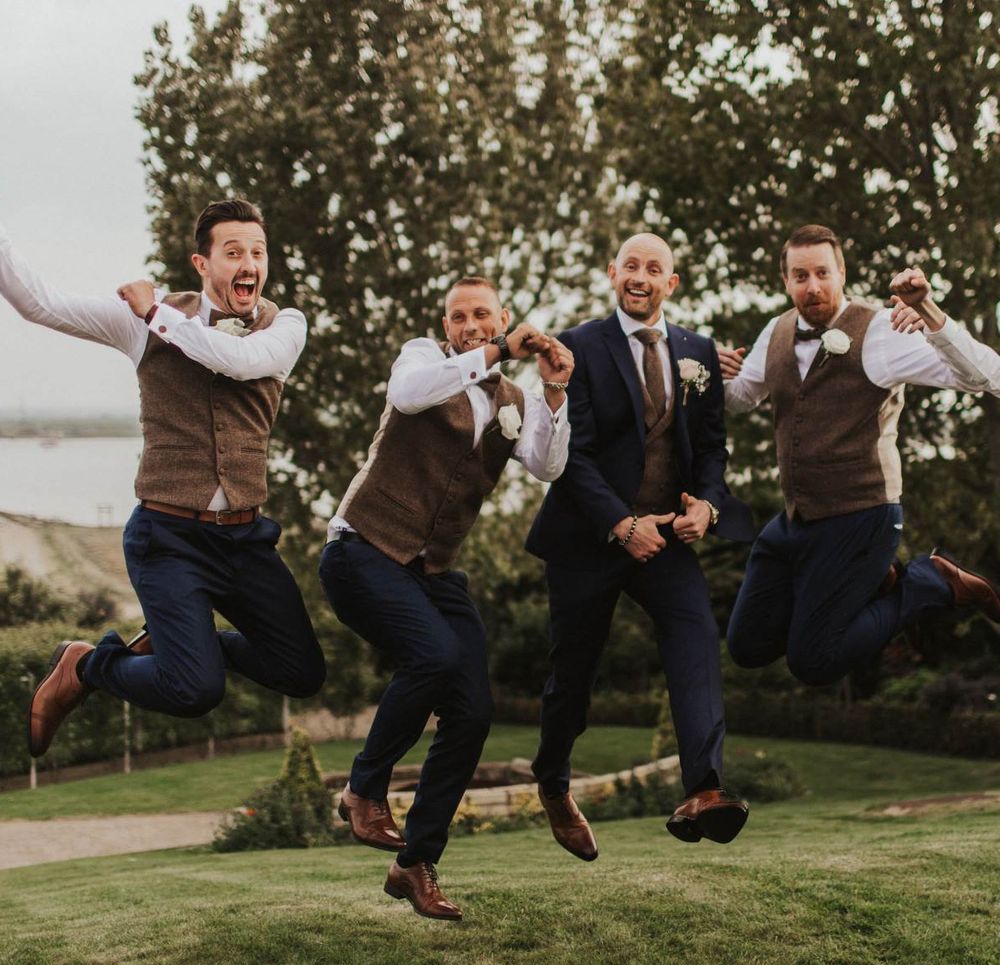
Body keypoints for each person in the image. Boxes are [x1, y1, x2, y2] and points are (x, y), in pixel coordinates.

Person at [0, 199, 326, 758]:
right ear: (203, 264)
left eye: (258, 252)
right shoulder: (141, 322)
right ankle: (87, 665)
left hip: (245, 539)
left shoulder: (284, 326)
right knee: (194, 690)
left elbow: (237, 361)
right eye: (233, 252)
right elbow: (40, 304)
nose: (249, 264)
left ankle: (180, 645)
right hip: (168, 537)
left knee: (301, 672)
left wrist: (157, 314)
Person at [320, 276, 573, 921]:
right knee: (431, 657)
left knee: (473, 710)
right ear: (445, 325)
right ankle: (362, 789)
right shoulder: (422, 360)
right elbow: (407, 395)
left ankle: (415, 863)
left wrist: (553, 392)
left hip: (431, 571)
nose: (469, 326)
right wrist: (496, 352)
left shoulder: (513, 399)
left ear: (503, 316)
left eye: (481, 315)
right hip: (362, 549)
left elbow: (547, 466)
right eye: (458, 317)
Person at [525, 233, 756, 862]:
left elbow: (712, 447)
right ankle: (553, 782)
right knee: (572, 678)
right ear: (612, 273)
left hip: (667, 537)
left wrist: (707, 505)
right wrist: (622, 525)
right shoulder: (577, 345)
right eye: (631, 265)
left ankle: (704, 788)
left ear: (671, 284)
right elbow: (570, 455)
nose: (641, 276)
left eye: (655, 269)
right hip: (588, 539)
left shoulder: (697, 351)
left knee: (697, 639)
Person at [720, 224, 1000, 688]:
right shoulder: (777, 331)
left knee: (813, 662)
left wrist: (928, 312)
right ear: (786, 280)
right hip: (796, 519)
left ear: (842, 273)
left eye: (822, 273)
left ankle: (927, 580)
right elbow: (741, 398)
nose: (813, 286)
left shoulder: (884, 331)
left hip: (862, 517)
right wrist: (713, 372)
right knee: (747, 646)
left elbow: (986, 377)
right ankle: (870, 583)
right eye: (800, 276)